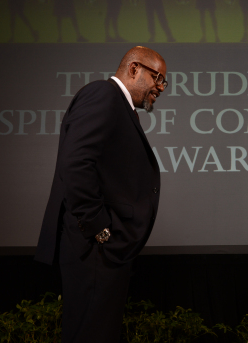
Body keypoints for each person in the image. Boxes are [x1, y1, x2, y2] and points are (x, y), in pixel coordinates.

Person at [34, 46, 167, 343]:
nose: (161, 87)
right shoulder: (103, 95)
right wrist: (101, 232)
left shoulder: (117, 105)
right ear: (134, 69)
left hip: (99, 252)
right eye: (158, 78)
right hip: (93, 251)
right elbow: (76, 164)